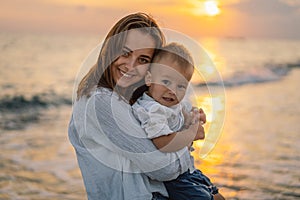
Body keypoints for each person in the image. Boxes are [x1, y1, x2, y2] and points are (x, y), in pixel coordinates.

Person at [68, 12, 210, 200]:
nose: (131, 66)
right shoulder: (100, 101)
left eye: (143, 59)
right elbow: (163, 169)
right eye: (125, 53)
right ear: (110, 49)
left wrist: (188, 121)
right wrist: (189, 135)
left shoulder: (131, 98)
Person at [131, 42, 225, 200]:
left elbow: (185, 111)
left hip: (188, 171)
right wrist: (191, 133)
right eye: (166, 82)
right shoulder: (153, 110)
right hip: (174, 182)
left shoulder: (169, 103)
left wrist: (196, 115)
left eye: (181, 86)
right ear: (149, 78)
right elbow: (163, 142)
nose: (172, 90)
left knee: (217, 195)